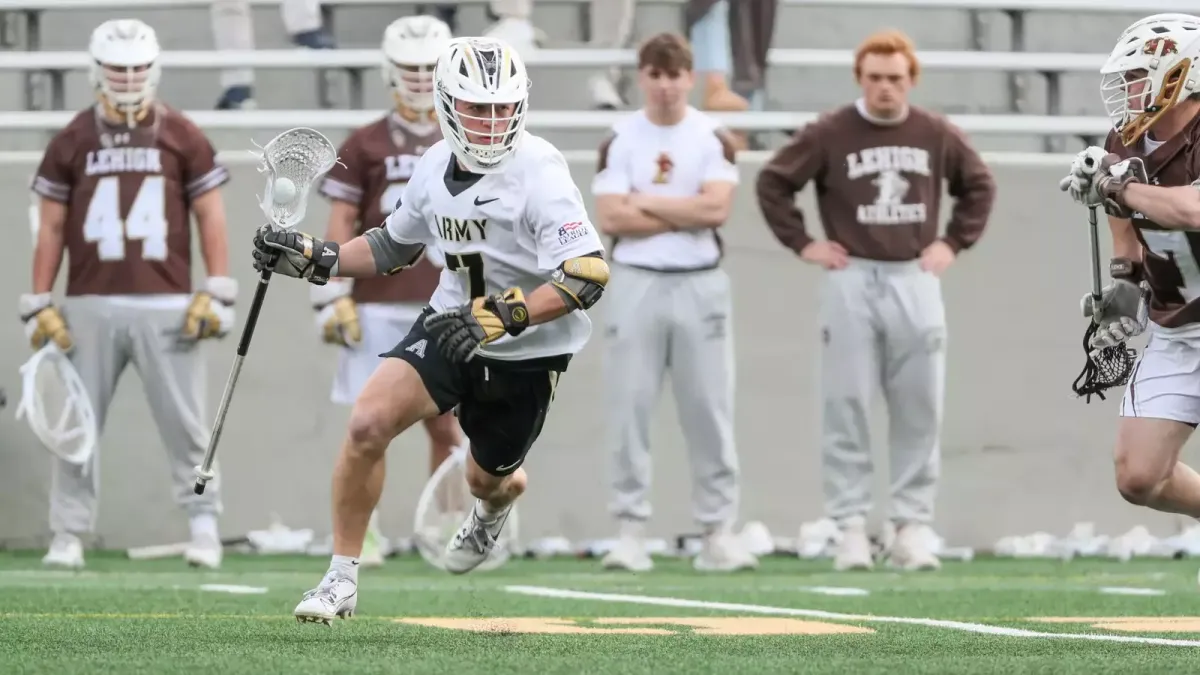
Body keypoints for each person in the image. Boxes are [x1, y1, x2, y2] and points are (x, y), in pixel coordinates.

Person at [250, 36, 610, 624]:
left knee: (486, 477)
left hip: (526, 352)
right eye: (477, 108)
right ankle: (340, 578)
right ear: (447, 105)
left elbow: (587, 274)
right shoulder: (431, 165)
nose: (492, 123)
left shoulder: (538, 168)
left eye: (502, 109)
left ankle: (491, 510)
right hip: (447, 323)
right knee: (367, 422)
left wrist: (501, 316)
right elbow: (395, 245)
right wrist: (321, 258)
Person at [755, 29, 995, 572]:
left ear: (911, 80)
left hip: (915, 275)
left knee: (920, 406)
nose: (885, 88)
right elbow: (773, 182)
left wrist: (952, 242)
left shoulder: (935, 133)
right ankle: (850, 528)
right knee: (846, 405)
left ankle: (911, 526)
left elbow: (979, 184)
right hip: (852, 278)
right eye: (875, 78)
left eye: (895, 78)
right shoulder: (830, 131)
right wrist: (804, 242)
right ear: (860, 79)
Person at [23, 19, 235, 570]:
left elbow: (210, 214)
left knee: (187, 426)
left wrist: (217, 289)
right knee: (76, 422)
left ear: (155, 67)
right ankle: (68, 532)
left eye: (137, 67)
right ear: (96, 70)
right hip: (91, 301)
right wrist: (40, 299)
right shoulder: (72, 138)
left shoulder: (182, 133)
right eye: (118, 67)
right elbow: (49, 227)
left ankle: (204, 525)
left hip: (167, 302)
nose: (128, 77)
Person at [592, 32, 755, 573]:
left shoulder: (714, 137)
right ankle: (630, 529)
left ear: (690, 77)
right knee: (629, 406)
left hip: (699, 281)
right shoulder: (620, 138)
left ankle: (717, 530)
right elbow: (612, 218)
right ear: (643, 77)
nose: (665, 85)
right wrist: (681, 207)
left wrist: (646, 201)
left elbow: (716, 211)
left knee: (709, 408)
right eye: (655, 74)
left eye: (675, 74)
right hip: (637, 279)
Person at [313, 15, 463, 568]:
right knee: (368, 425)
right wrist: (331, 296)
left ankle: (446, 525)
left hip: (446, 299)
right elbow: (342, 219)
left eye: (431, 68)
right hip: (377, 301)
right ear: (388, 71)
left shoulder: (468, 136)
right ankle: (364, 532)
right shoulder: (366, 141)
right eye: (411, 69)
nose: (421, 79)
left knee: (449, 425)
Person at [1058, 13, 1200, 535]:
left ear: (1180, 75)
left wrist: (1116, 188)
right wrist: (1127, 285)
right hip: (1180, 326)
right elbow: (1125, 233)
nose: (1128, 89)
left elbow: (1192, 209)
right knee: (1138, 476)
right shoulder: (1123, 137)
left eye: (1139, 76)